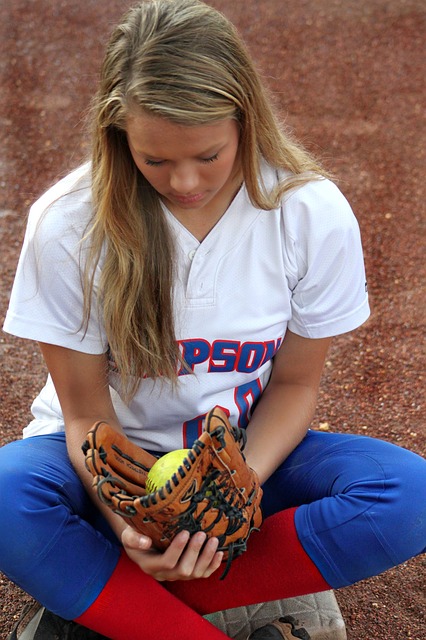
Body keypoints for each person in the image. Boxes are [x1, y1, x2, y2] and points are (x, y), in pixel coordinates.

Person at [1, 1, 425, 639]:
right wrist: (131, 522)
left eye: (208, 154)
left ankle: (115, 604)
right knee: (5, 497)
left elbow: (295, 386)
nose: (185, 180)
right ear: (118, 133)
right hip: (104, 475)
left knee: (409, 496)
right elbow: (86, 415)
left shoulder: (309, 212)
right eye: (155, 160)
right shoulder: (69, 221)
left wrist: (231, 499)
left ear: (245, 118)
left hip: (246, 463)